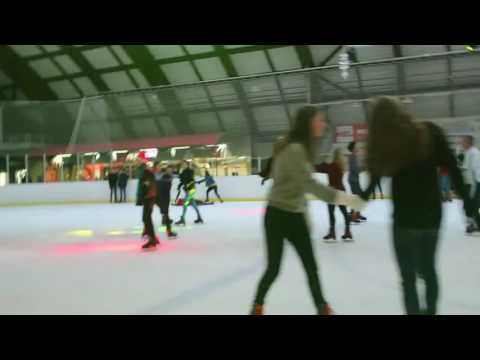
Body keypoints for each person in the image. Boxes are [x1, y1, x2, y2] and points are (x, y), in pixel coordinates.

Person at [250, 106, 366, 316]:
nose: (323, 124)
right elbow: (309, 184)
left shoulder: (302, 149)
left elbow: (300, 189)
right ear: (308, 123)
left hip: (293, 216)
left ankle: (322, 308)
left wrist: (304, 215)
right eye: (319, 120)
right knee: (274, 268)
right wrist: (348, 199)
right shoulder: (295, 149)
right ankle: (257, 307)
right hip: (277, 216)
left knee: (311, 267)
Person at [362, 97, 467, 315]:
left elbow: (374, 177)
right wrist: (469, 203)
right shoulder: (430, 131)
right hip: (431, 218)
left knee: (408, 279)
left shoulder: (387, 143)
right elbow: (453, 168)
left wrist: (360, 198)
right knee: (428, 271)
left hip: (404, 222)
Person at [315, 148, 352, 242]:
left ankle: (332, 233)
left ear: (333, 155)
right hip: (341, 191)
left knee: (331, 213)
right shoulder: (341, 166)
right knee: (344, 212)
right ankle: (347, 232)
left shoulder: (332, 166)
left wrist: (320, 163)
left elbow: (320, 168)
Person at [136, 153, 160, 249]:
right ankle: (153, 238)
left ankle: (152, 240)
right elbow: (142, 185)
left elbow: (149, 184)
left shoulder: (146, 171)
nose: (137, 161)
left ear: (143, 160)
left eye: (139, 159)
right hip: (147, 197)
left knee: (146, 218)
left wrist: (147, 195)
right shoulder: (143, 170)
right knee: (146, 218)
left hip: (149, 198)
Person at [460, 135, 480, 233]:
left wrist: (473, 186)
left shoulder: (474, 153)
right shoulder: (468, 152)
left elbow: (474, 170)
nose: (461, 143)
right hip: (469, 182)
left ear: (468, 142)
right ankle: (473, 223)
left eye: (463, 141)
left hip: (475, 182)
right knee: (469, 205)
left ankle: (477, 224)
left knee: (476, 205)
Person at [175, 161, 203, 225]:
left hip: (191, 190)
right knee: (193, 204)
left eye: (184, 164)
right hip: (188, 190)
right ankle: (199, 217)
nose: (183, 165)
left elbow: (188, 179)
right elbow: (182, 180)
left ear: (187, 165)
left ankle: (182, 219)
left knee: (185, 204)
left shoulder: (190, 171)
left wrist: (182, 177)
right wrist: (179, 185)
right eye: (182, 164)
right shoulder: (183, 171)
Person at [154, 162, 177, 239]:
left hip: (164, 197)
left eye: (160, 166)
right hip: (156, 197)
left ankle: (169, 231)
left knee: (165, 213)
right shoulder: (155, 175)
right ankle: (147, 232)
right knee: (148, 214)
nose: (160, 167)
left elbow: (167, 187)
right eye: (158, 166)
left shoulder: (166, 176)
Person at [347, 141, 366, 222]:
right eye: (356, 147)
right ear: (353, 148)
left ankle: (356, 214)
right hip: (353, 180)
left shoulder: (354, 156)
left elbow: (357, 169)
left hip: (354, 180)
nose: (357, 148)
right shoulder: (352, 157)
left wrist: (362, 167)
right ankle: (353, 215)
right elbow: (355, 169)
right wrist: (363, 168)